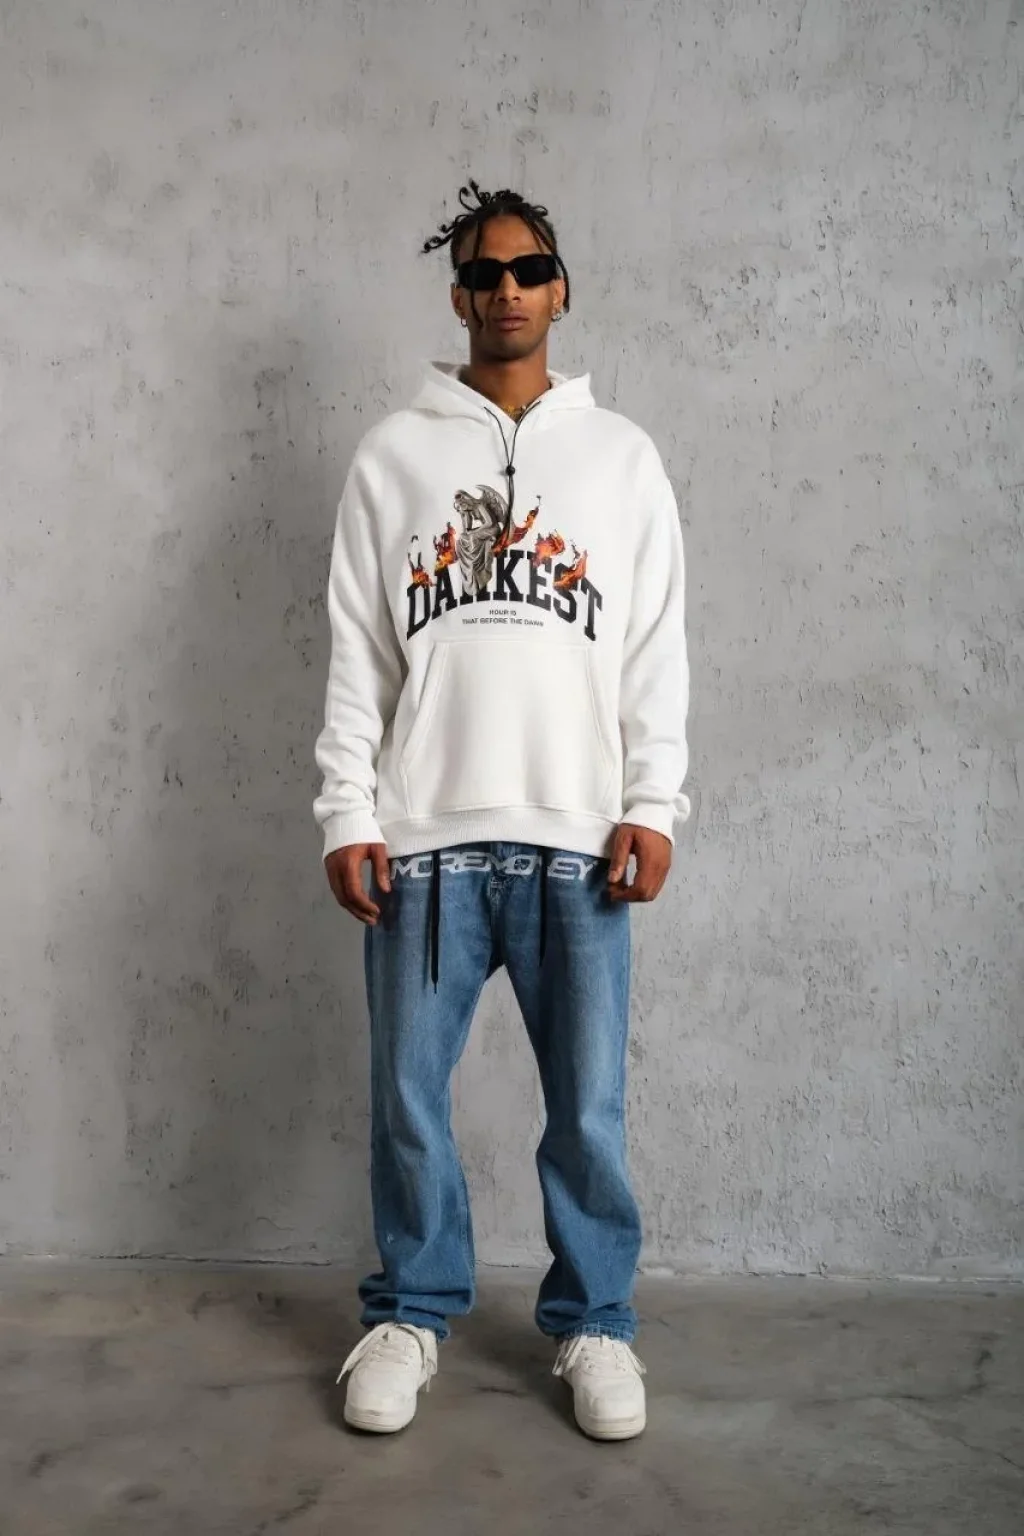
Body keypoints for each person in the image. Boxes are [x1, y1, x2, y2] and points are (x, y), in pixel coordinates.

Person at [313, 179, 690, 1440]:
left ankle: (596, 1324)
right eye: (484, 274)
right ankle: (411, 1312)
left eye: (528, 270)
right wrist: (347, 812)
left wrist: (654, 801)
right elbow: (358, 650)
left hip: (577, 841)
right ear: (458, 295)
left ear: (560, 289)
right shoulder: (394, 454)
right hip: (424, 842)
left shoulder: (621, 457)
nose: (507, 290)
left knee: (585, 1109)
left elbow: (654, 648)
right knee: (408, 1103)